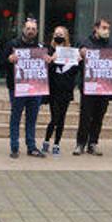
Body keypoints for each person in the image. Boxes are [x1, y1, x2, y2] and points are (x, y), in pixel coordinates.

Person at [2, 18, 49, 158]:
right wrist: (9, 59)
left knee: (32, 118)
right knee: (15, 117)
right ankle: (14, 147)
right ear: (23, 29)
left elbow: (46, 68)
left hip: (35, 89)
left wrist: (48, 61)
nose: (30, 31)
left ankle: (32, 147)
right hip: (17, 88)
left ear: (37, 31)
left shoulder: (41, 48)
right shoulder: (12, 44)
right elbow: (1, 62)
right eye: (28, 28)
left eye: (33, 29)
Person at [74, 18, 112, 156]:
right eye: (104, 27)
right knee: (85, 116)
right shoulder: (85, 42)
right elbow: (77, 59)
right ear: (96, 28)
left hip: (105, 87)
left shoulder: (111, 43)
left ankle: (93, 143)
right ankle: (80, 143)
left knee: (99, 116)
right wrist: (81, 54)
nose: (106, 31)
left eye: (108, 28)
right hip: (89, 87)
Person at [42, 26, 79, 158]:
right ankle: (46, 140)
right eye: (57, 33)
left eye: (61, 34)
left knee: (62, 118)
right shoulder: (49, 50)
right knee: (55, 117)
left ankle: (57, 144)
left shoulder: (71, 51)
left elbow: (74, 73)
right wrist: (52, 60)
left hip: (66, 91)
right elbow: (45, 70)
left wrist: (77, 62)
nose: (59, 36)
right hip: (53, 90)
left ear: (66, 37)